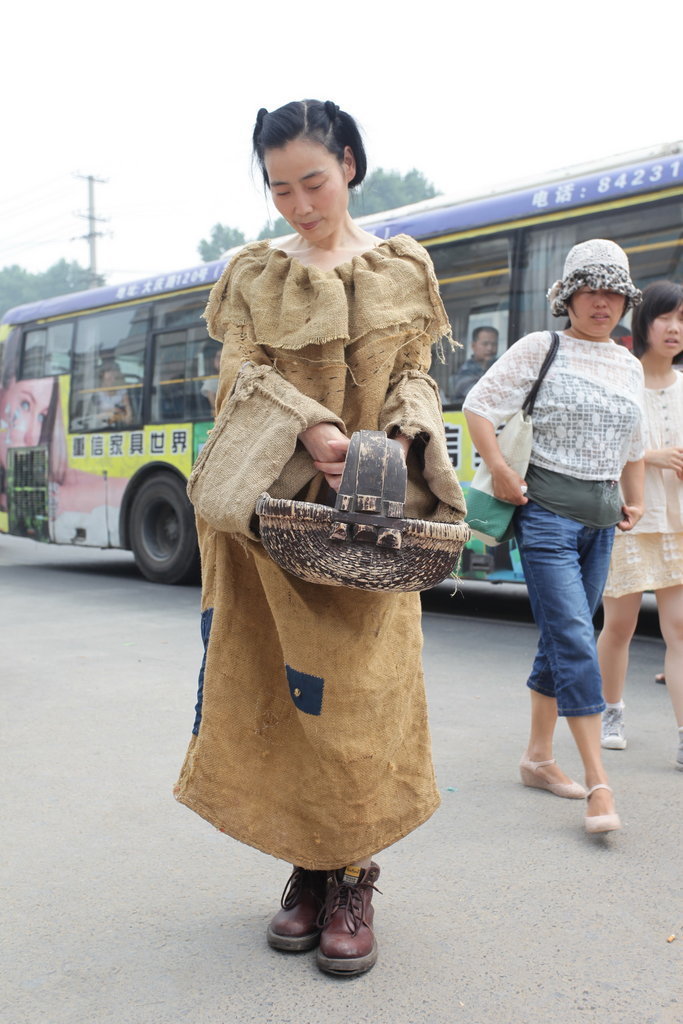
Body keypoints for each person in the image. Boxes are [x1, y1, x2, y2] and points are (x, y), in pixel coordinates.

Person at [173, 99, 466, 976]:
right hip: (270, 518)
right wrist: (308, 429)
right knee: (282, 698)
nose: (299, 204)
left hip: (371, 523)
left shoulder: (402, 266)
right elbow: (238, 382)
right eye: (279, 188)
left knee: (358, 705)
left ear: (347, 162)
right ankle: (307, 872)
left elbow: (414, 375)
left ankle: (350, 875)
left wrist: (393, 446)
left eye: (312, 180)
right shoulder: (253, 272)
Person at [463, 239, 645, 835]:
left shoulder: (628, 363)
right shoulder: (541, 347)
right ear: (568, 296)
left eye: (614, 291)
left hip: (600, 522)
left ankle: (538, 758)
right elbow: (480, 405)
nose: (603, 302)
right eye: (591, 290)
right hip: (543, 515)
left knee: (560, 636)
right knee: (573, 635)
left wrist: (634, 496)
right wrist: (504, 468)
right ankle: (600, 784)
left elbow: (632, 443)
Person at [597, 281, 683, 769]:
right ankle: (611, 711)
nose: (674, 329)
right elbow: (602, 451)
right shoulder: (619, 380)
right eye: (665, 317)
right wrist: (651, 456)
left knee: (680, 630)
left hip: (679, 524)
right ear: (645, 321)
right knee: (620, 627)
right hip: (630, 518)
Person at [448, 326, 499, 404]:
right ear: (473, 346)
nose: (490, 348)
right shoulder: (465, 371)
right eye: (485, 344)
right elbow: (478, 395)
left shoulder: (499, 366)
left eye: (494, 344)